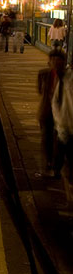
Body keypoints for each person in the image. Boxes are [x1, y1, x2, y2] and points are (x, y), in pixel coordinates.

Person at [38, 50, 66, 174]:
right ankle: (49, 161)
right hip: (47, 112)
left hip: (63, 115)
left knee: (60, 141)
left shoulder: (68, 77)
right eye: (53, 60)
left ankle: (57, 166)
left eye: (58, 60)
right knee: (47, 138)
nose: (55, 63)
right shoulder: (43, 74)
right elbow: (40, 90)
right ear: (49, 62)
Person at [50, 51, 73, 182]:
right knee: (61, 154)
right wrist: (59, 121)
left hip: (68, 126)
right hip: (63, 126)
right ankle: (57, 171)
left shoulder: (67, 78)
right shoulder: (64, 79)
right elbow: (55, 101)